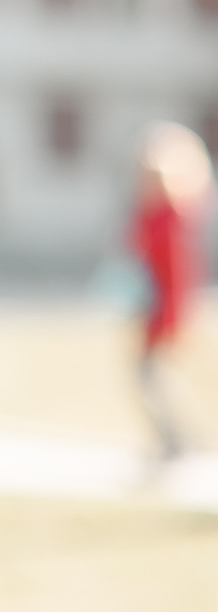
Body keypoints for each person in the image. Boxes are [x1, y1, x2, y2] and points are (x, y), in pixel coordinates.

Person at [131, 121, 211, 461]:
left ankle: (177, 438)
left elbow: (176, 273)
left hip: (163, 310)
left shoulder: (168, 218)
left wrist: (172, 315)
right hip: (152, 306)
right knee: (157, 374)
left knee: (151, 374)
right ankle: (179, 437)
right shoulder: (152, 213)